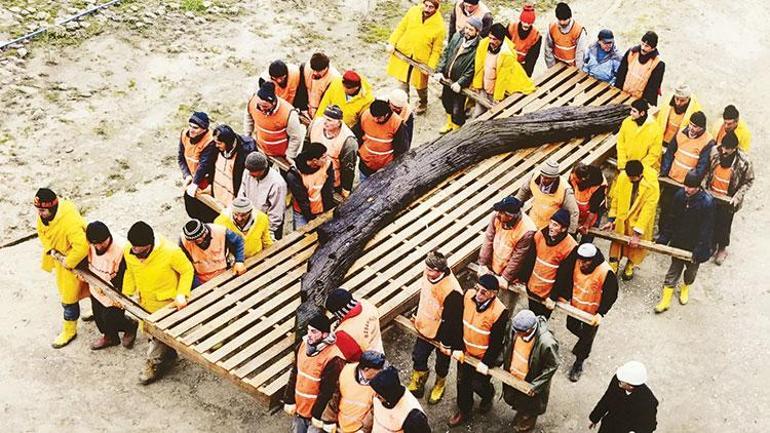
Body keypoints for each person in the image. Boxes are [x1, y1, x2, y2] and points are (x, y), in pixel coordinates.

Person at [122, 221, 194, 384]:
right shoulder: (129, 251)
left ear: (151, 244)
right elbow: (130, 271)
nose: (136, 254)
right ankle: (168, 355)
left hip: (166, 304)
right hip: (144, 301)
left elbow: (187, 270)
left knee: (157, 335)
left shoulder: (171, 251)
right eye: (134, 250)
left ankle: (153, 363)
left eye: (141, 252)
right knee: (152, 334)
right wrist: (126, 294)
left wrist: (182, 294)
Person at [449, 274, 509, 426]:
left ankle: (488, 395)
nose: (478, 294)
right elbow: (456, 323)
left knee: (478, 384)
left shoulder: (499, 312)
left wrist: (486, 362)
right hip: (466, 352)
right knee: (462, 383)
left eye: (483, 292)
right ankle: (464, 410)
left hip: (483, 358)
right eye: (477, 289)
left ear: (493, 293)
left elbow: (496, 342)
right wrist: (457, 347)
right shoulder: (468, 296)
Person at [554, 243, 617, 382]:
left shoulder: (605, 272)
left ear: (593, 259)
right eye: (581, 260)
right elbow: (569, 280)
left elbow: (611, 294)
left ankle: (578, 363)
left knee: (587, 339)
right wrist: (564, 296)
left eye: (586, 261)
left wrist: (601, 313)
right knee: (571, 326)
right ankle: (585, 341)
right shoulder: (576, 263)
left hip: (591, 314)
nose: (583, 264)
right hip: (575, 307)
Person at [34, 188, 88, 348]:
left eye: (42, 210)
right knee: (73, 293)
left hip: (76, 260)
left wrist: (68, 262)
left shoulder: (68, 220)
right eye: (38, 209)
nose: (39, 213)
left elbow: (82, 247)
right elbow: (42, 232)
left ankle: (69, 330)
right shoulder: (44, 216)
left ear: (52, 207)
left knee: (69, 299)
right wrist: (50, 248)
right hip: (61, 257)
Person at [407, 251, 463, 404]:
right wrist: (416, 315)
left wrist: (446, 343)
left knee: (442, 363)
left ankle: (440, 383)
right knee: (418, 356)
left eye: (430, 270)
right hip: (425, 325)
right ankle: (419, 381)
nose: (426, 272)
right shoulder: (427, 276)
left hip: (442, 333)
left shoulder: (452, 292)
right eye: (426, 268)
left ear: (441, 271)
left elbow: (452, 321)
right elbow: (424, 297)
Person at [654, 172, 715, 313]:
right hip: (680, 240)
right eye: (685, 186)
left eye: (691, 187)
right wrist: (664, 237)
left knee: (691, 271)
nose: (687, 189)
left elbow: (707, 228)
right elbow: (672, 218)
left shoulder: (707, 202)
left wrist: (700, 249)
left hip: (695, 244)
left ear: (698, 187)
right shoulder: (680, 196)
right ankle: (665, 300)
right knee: (674, 269)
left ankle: (686, 286)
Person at [283, 314, 346, 433]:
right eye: (308, 330)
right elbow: (295, 373)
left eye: (313, 331)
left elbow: (329, 392)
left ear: (325, 334)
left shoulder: (333, 358)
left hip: (317, 416)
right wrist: (289, 399)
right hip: (300, 410)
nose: (309, 335)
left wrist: (318, 416)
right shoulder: (302, 346)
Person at [82, 221, 138, 350]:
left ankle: (129, 326)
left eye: (102, 242)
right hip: (96, 286)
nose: (99, 246)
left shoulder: (122, 249)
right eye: (96, 244)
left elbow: (126, 274)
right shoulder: (89, 244)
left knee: (112, 317)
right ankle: (110, 337)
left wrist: (120, 295)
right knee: (99, 316)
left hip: (113, 290)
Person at [501, 310, 559, 433]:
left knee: (530, 407)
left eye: (518, 332)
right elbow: (506, 346)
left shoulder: (547, 342)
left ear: (528, 330)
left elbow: (552, 365)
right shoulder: (515, 328)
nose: (515, 334)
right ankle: (521, 414)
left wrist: (535, 386)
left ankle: (525, 426)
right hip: (515, 376)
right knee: (517, 400)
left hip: (531, 381)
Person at [386, 0, 446, 115]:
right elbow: (401, 28)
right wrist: (392, 42)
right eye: (426, 5)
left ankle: (423, 103)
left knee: (420, 86)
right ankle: (403, 107)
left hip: (421, 61)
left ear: (436, 8)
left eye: (431, 7)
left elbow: (436, 50)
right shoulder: (413, 11)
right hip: (404, 55)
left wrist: (429, 67)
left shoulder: (439, 26)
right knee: (403, 83)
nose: (427, 9)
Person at [659, 111, 714, 234]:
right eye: (691, 125)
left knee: (682, 212)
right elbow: (669, 153)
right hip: (672, 178)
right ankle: (662, 233)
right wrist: (664, 171)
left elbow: (702, 165)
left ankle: (676, 235)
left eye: (696, 127)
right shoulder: (680, 133)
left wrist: (693, 183)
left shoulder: (708, 142)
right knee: (666, 206)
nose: (692, 129)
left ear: (703, 128)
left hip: (687, 185)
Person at [477, 196, 536, 309]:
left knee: (503, 307)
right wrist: (483, 263)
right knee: (485, 302)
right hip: (494, 266)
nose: (498, 214)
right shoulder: (496, 216)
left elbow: (518, 257)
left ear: (509, 216)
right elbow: (489, 238)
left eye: (501, 213)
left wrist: (506, 277)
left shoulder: (527, 230)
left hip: (510, 275)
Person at [604, 160, 659, 280]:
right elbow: (616, 198)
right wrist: (611, 219)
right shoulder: (624, 176)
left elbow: (647, 211)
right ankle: (614, 262)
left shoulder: (652, 185)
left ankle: (630, 263)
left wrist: (637, 234)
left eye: (632, 179)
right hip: (622, 218)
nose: (629, 180)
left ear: (640, 175)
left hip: (639, 220)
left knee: (635, 247)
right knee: (617, 242)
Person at [705, 131, 754, 265]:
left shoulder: (744, 162)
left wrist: (737, 197)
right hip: (712, 195)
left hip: (728, 200)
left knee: (724, 224)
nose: (724, 151)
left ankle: (722, 249)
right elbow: (707, 169)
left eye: (728, 149)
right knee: (711, 220)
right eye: (723, 147)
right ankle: (711, 245)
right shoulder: (715, 151)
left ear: (734, 148)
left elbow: (749, 181)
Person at [520, 209, 577, 318]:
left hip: (548, 295)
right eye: (551, 222)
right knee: (532, 313)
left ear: (563, 229)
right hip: (532, 287)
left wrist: (554, 297)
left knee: (542, 319)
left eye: (555, 225)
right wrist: (523, 278)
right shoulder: (540, 235)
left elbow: (565, 275)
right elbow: (530, 259)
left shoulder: (570, 246)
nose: (550, 227)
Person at [472, 23, 536, 117]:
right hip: (484, 86)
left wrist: (497, 97)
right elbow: (479, 65)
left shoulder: (507, 54)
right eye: (490, 38)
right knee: (477, 114)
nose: (491, 41)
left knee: (495, 117)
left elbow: (502, 78)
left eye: (494, 39)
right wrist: (477, 84)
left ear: (501, 40)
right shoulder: (483, 44)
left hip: (496, 88)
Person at [434, 17, 481, 133]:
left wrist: (461, 83)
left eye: (471, 30)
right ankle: (449, 123)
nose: (467, 31)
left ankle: (456, 131)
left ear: (477, 32)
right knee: (446, 101)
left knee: (458, 109)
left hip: (460, 85)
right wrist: (440, 71)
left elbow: (473, 68)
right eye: (467, 28)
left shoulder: (479, 46)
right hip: (447, 79)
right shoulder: (457, 36)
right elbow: (446, 53)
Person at [323, 350, 386, 433]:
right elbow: (335, 396)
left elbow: (376, 409)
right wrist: (329, 420)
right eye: (377, 371)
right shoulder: (346, 371)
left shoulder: (382, 382)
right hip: (340, 426)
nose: (380, 373)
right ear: (366, 369)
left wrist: (364, 430)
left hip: (359, 429)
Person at [244, 81, 305, 164]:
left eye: (265, 106)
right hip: (260, 148)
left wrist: (290, 155)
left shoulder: (289, 113)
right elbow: (248, 118)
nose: (262, 108)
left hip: (281, 156)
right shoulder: (252, 102)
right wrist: (247, 136)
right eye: (259, 105)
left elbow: (295, 137)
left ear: (273, 102)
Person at [589, 361, 658, 433]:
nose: (619, 379)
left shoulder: (648, 402)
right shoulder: (618, 380)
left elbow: (650, 425)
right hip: (609, 425)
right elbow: (607, 398)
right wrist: (595, 418)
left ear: (631, 386)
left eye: (622, 380)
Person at [305, 105, 357, 198]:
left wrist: (346, 189)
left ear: (339, 122)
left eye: (329, 120)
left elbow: (348, 169)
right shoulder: (315, 124)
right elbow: (306, 145)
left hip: (332, 182)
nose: (325, 122)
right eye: (324, 118)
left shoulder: (348, 141)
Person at [515, 159, 579, 233]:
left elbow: (574, 212)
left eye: (548, 178)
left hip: (549, 227)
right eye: (543, 176)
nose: (544, 180)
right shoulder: (534, 177)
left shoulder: (565, 189)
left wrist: (570, 232)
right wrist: (515, 205)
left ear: (554, 178)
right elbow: (524, 190)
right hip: (533, 220)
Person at [353, 99, 408, 182]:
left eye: (378, 118)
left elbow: (401, 148)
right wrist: (360, 153)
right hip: (365, 164)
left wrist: (392, 166)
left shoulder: (396, 123)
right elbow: (356, 135)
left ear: (386, 114)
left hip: (385, 167)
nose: (375, 120)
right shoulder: (366, 115)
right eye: (373, 117)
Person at [179, 218, 246, 287]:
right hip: (202, 280)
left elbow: (238, 241)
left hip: (225, 273)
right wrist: (198, 286)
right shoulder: (184, 241)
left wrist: (239, 261)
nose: (198, 242)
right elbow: (185, 266)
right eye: (194, 240)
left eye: (200, 238)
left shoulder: (220, 231)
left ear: (205, 231)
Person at [178, 111, 219, 223]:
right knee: (192, 210)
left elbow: (204, 165)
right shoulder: (184, 135)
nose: (191, 129)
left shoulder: (210, 142)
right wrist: (187, 176)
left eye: (195, 128)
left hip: (207, 181)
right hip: (193, 179)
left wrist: (195, 183)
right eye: (190, 126)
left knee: (209, 213)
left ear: (204, 129)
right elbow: (181, 158)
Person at [238, 151, 288, 240]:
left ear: (262, 169)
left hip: (268, 227)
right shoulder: (248, 172)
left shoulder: (277, 183)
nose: (249, 174)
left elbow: (276, 212)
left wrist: (266, 231)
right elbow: (242, 194)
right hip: (249, 222)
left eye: (252, 172)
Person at [325, 288, 384, 361]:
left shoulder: (342, 333)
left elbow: (352, 359)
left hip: (369, 365)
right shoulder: (366, 304)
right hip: (378, 349)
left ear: (338, 313)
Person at [286, 143, 336, 229]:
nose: (327, 158)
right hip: (303, 214)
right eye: (323, 157)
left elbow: (328, 189)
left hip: (322, 210)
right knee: (301, 238)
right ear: (315, 161)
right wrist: (310, 219)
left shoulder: (327, 165)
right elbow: (302, 200)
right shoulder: (294, 175)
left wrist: (328, 211)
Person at [370, 366, 431, 433]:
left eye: (379, 393)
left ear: (388, 394)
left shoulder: (414, 418)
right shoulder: (384, 396)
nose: (375, 395)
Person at [209, 124, 257, 208]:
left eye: (219, 143)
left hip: (234, 189)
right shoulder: (216, 147)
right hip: (219, 187)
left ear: (228, 142)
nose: (216, 145)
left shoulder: (245, 152)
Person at [615, 31, 665, 106]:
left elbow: (652, 87)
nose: (643, 48)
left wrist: (643, 103)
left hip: (638, 100)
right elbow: (621, 73)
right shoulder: (631, 53)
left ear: (653, 48)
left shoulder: (658, 64)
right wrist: (617, 91)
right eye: (642, 44)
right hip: (623, 93)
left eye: (647, 46)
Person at [616, 98, 663, 172]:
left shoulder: (655, 129)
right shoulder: (627, 122)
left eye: (634, 111)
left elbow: (654, 154)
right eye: (631, 110)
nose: (631, 113)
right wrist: (622, 164)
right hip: (626, 167)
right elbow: (620, 143)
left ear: (642, 113)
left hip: (645, 170)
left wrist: (638, 169)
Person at [295, 52, 340, 124]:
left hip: (320, 113)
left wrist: (317, 118)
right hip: (306, 109)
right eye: (314, 70)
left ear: (326, 67)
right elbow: (302, 89)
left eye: (318, 71)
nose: (315, 73)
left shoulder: (334, 79)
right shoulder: (306, 68)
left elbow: (329, 102)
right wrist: (303, 109)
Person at [568, 163, 607, 242]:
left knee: (588, 235)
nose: (573, 178)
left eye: (575, 178)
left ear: (583, 179)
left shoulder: (598, 188)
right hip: (577, 207)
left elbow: (593, 209)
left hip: (593, 213)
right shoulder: (573, 176)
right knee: (570, 236)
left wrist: (586, 225)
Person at [654, 83, 702, 147]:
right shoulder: (667, 103)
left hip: (677, 145)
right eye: (676, 99)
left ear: (688, 99)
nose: (678, 103)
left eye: (682, 100)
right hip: (660, 140)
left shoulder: (694, 110)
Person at [544, 2, 587, 69]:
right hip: (556, 65)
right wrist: (552, 68)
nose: (562, 22)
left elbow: (580, 53)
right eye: (560, 20)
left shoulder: (578, 30)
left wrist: (577, 71)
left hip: (572, 67)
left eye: (564, 20)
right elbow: (548, 49)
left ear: (570, 17)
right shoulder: (552, 27)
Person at [506, 3, 541, 77]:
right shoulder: (511, 28)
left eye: (529, 22)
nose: (526, 25)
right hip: (508, 63)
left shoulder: (536, 36)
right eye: (524, 21)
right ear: (521, 19)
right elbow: (504, 48)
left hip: (522, 66)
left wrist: (527, 76)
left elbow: (532, 59)